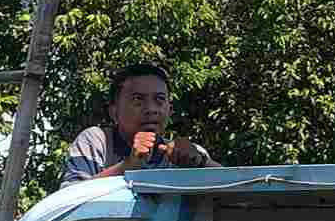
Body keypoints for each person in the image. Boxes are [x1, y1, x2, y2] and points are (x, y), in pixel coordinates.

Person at [60, 65, 218, 183]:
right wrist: (128, 167)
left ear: (170, 111)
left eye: (160, 99)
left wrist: (200, 162)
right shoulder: (97, 141)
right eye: (138, 100)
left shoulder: (185, 154)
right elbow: (68, 200)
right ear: (114, 112)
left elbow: (238, 193)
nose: (151, 109)